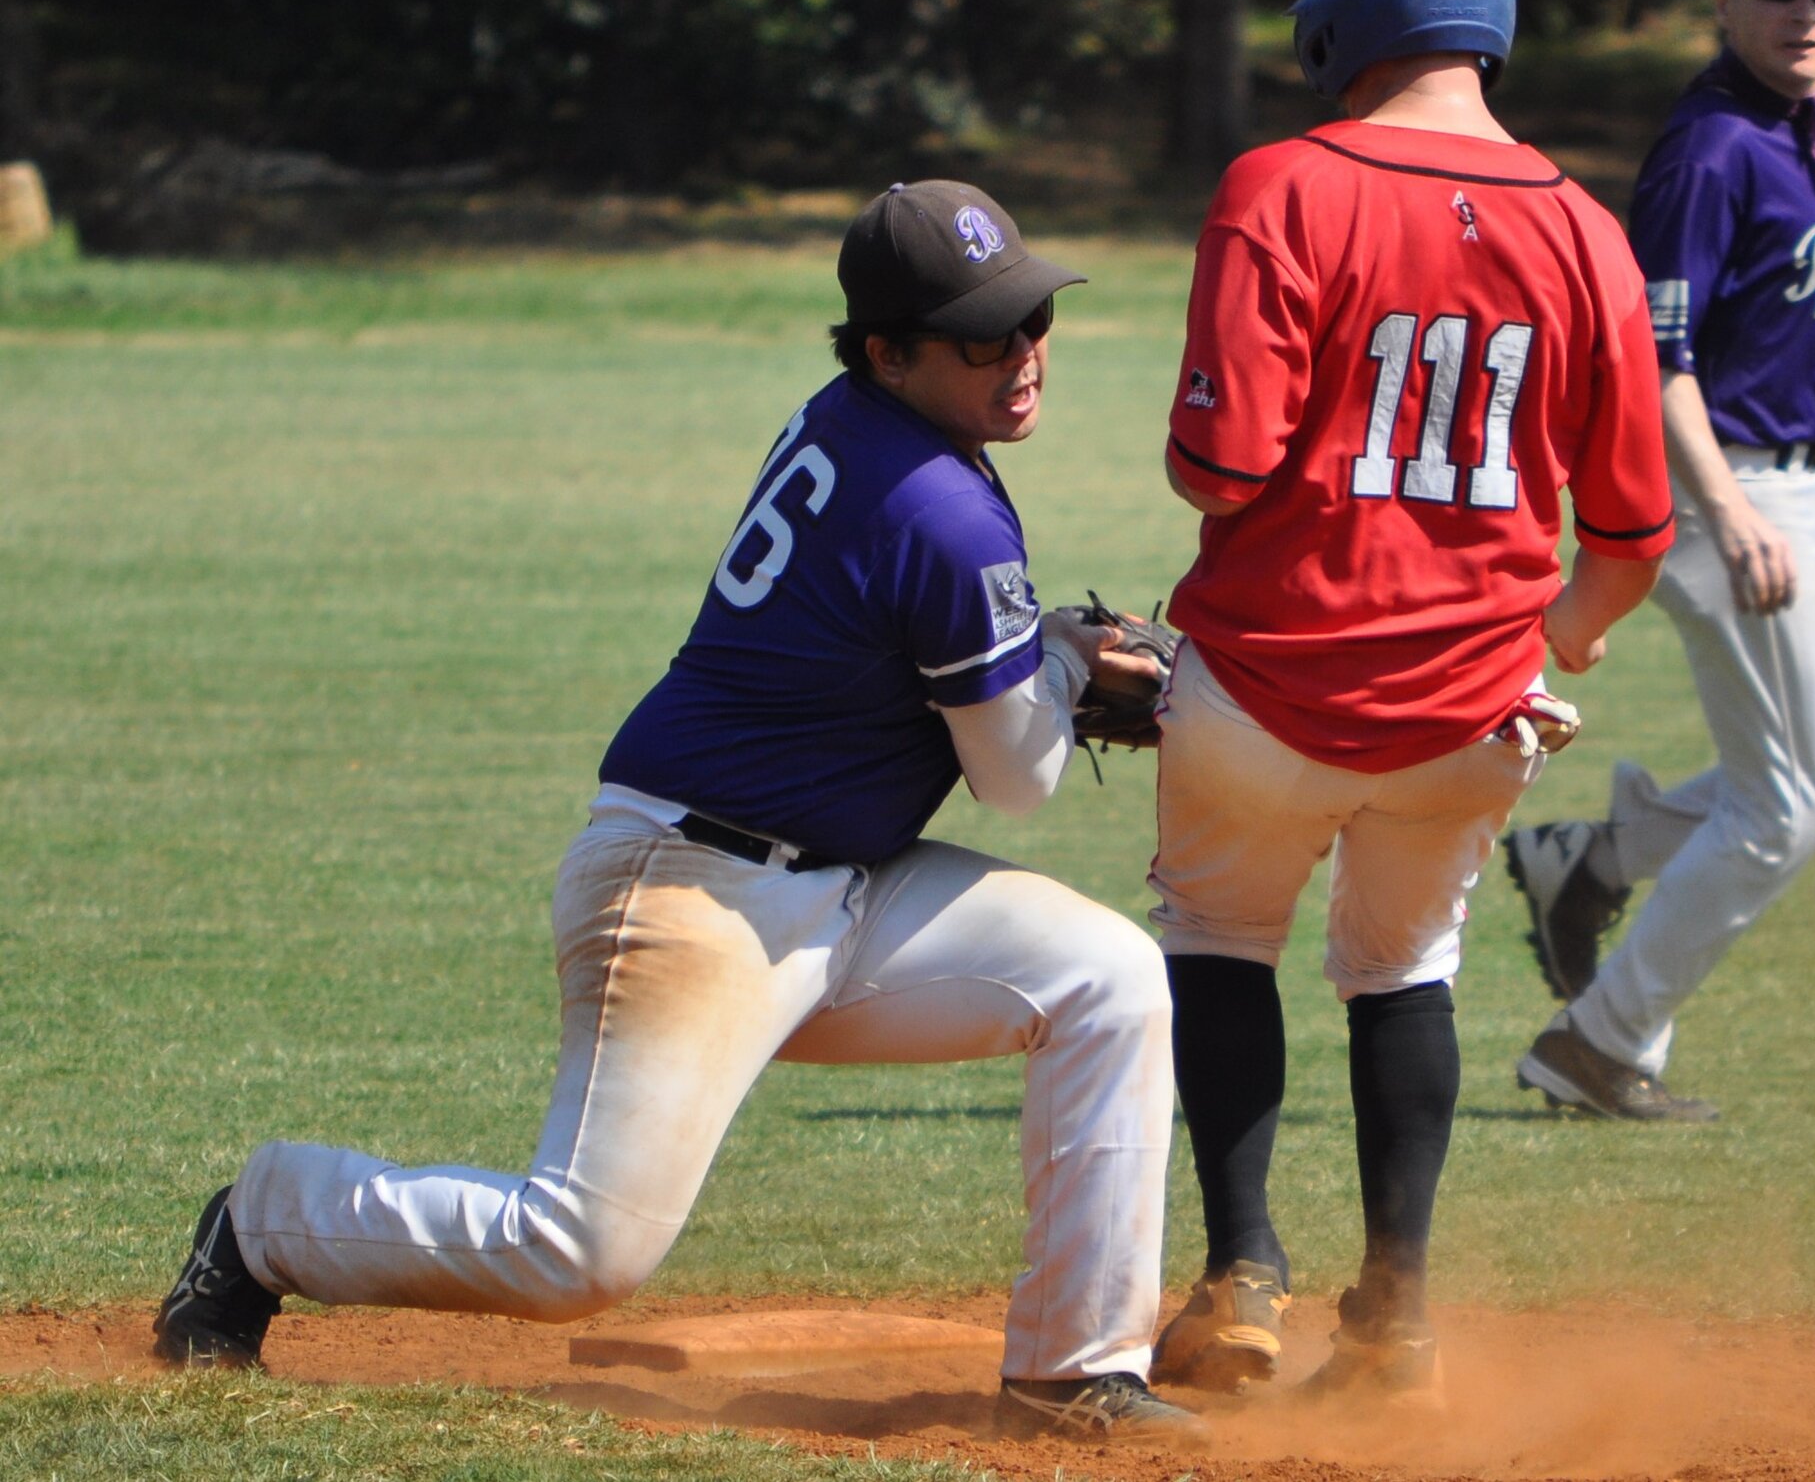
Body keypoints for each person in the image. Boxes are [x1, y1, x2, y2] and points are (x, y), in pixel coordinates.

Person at [149, 180, 1205, 1445]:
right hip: (692, 883)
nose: (1023, 355)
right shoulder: (935, 500)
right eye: (984, 335)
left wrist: (1041, 654)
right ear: (888, 351)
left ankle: (1071, 1370)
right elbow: (1019, 775)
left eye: (1033, 318)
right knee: (577, 1251)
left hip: (842, 878)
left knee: (1111, 979)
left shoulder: (870, 428)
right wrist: (1070, 668)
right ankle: (260, 1219)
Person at [1144, 0, 1677, 1403]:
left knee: (1219, 940)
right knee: (1406, 965)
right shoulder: (1583, 226)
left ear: (1335, 20)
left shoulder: (1280, 186)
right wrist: (1547, 640)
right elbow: (1633, 536)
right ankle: (1397, 1320)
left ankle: (1244, 1268)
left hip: (1264, 687)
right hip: (1467, 720)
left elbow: (1224, 467)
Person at [1502, 0, 1815, 1123]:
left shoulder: (1801, 128)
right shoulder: (1711, 147)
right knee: (1781, 803)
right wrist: (1730, 508)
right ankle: (1600, 1038)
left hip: (1797, 484)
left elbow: (1755, 317)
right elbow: (1653, 353)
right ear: (1724, 0)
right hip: (1722, 495)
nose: (1806, 10)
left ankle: (1596, 855)